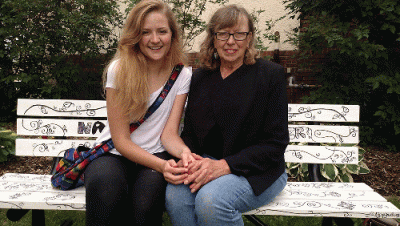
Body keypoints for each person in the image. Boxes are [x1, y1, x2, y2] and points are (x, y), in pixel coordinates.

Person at [165, 4, 289, 226]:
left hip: (259, 170)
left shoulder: (270, 76)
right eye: (223, 34)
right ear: (213, 38)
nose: (231, 41)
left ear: (249, 38)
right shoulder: (201, 78)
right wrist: (188, 160)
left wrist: (224, 166)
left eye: (239, 34)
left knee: (212, 201)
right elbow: (192, 133)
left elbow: (275, 143)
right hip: (209, 162)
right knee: (175, 196)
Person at [84, 1, 194, 225]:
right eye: (146, 32)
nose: (155, 40)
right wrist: (162, 166)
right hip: (114, 153)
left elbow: (169, 135)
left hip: (157, 153)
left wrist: (184, 154)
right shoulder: (120, 69)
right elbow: (121, 140)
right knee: (105, 189)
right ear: (135, 36)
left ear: (172, 35)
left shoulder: (182, 75)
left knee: (146, 204)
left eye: (162, 31)